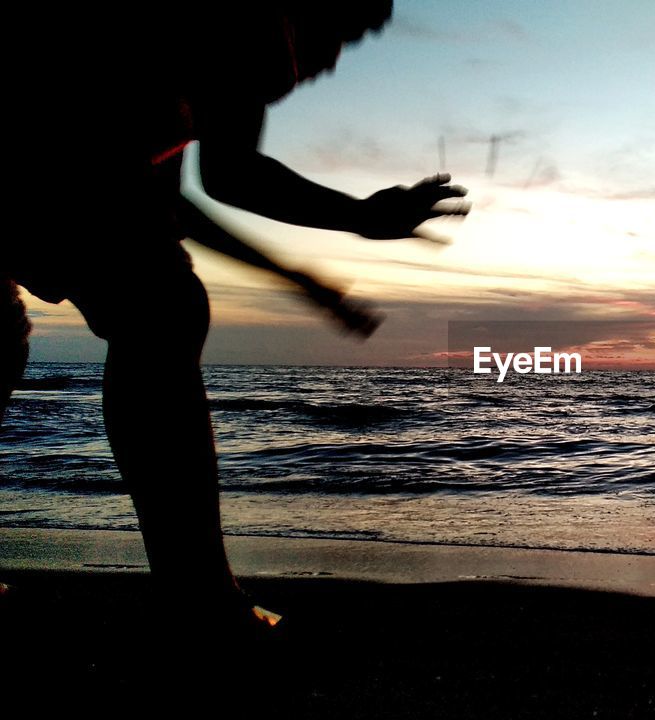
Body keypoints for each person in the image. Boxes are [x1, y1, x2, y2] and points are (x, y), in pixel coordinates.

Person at [0, 1, 467, 630]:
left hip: (49, 156)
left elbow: (165, 206)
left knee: (20, 336)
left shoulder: (167, 88)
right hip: (28, 144)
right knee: (159, 309)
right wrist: (359, 219)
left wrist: (299, 278)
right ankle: (200, 603)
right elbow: (230, 175)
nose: (330, 61)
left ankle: (195, 598)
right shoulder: (251, 24)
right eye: (340, 30)